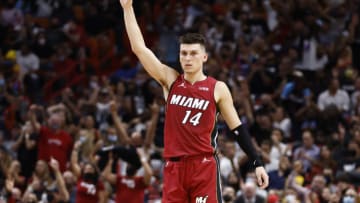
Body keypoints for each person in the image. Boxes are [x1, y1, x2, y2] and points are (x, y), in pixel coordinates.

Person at [119, 0, 269, 202]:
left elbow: (238, 129)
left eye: (193, 53)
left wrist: (257, 162)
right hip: (174, 167)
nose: (188, 58)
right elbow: (139, 48)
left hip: (203, 166)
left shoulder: (217, 88)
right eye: (184, 53)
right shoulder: (170, 79)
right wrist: (127, 8)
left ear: (204, 57)